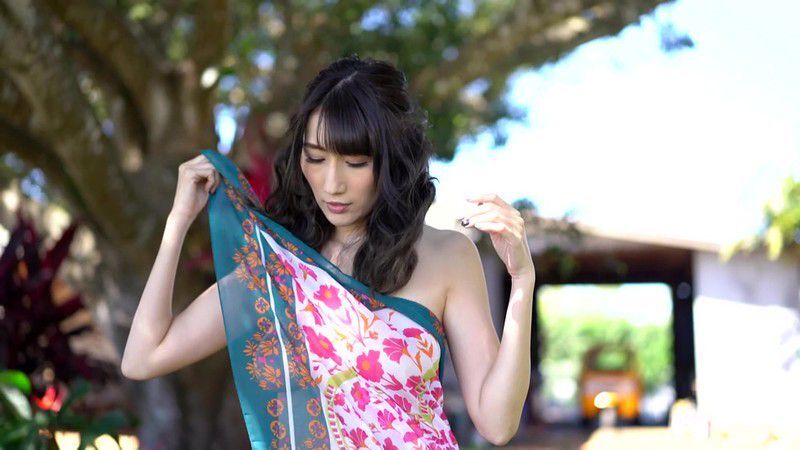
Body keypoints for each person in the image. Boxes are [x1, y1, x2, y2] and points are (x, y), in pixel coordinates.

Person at [121, 54, 535, 448]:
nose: (332, 184)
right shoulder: (280, 269)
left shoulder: (447, 256)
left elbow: (497, 424)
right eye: (316, 158)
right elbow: (143, 358)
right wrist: (177, 222)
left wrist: (522, 280)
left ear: (391, 161)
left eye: (355, 163)